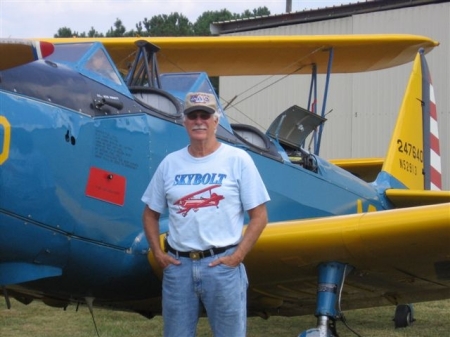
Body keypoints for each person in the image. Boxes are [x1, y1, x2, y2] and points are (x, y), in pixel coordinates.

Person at [141, 92, 270, 337]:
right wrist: (158, 253)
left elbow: (260, 216)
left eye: (205, 115)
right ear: (184, 121)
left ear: (215, 121)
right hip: (178, 268)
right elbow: (150, 213)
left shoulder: (238, 159)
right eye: (193, 116)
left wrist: (238, 256)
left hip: (222, 266)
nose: (199, 121)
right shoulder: (170, 163)